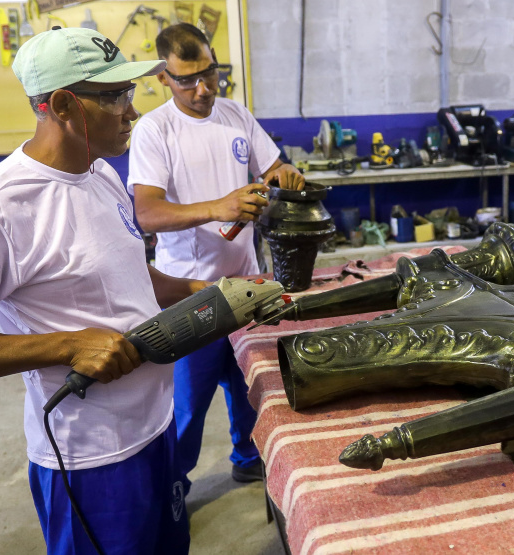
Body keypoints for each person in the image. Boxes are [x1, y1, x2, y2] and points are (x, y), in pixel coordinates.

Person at [0, 28, 206, 555]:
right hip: (92, 463)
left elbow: (132, 279)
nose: (131, 111)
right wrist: (66, 345)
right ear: (65, 105)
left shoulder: (100, 174)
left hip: (156, 430)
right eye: (114, 96)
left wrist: (207, 290)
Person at [127, 23, 304, 484]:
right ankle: (174, 483)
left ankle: (249, 460)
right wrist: (217, 207)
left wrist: (285, 174)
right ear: (163, 77)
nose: (203, 89)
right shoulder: (154, 130)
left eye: (211, 74)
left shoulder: (235, 114)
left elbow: (273, 165)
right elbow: (146, 213)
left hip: (245, 285)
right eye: (188, 80)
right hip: (189, 294)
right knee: (186, 404)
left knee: (252, 386)